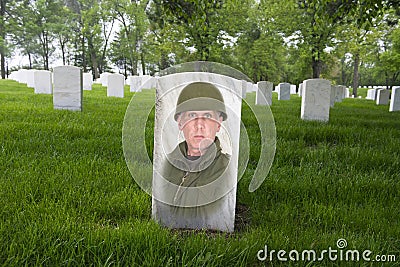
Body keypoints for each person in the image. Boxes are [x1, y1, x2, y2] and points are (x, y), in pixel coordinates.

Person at [153, 81, 233, 230]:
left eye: (208, 115)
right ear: (180, 122)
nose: (199, 125)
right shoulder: (164, 165)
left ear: (219, 123)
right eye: (192, 115)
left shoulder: (228, 169)